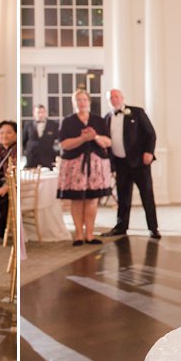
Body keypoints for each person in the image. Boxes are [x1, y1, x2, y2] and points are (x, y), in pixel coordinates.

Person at [56, 87, 113, 246]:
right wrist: (82, 138)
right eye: (78, 100)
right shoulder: (68, 121)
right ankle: (79, 235)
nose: (81, 103)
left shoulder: (99, 120)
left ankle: (90, 234)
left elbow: (108, 142)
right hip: (75, 165)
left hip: (95, 164)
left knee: (92, 200)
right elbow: (64, 145)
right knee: (77, 200)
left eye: (84, 100)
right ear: (74, 103)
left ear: (89, 101)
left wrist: (94, 136)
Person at [103, 87, 160, 239]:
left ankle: (153, 228)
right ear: (108, 101)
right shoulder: (107, 118)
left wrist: (149, 152)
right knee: (123, 197)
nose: (114, 99)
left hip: (139, 162)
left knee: (147, 195)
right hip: (121, 164)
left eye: (116, 96)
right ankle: (121, 227)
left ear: (122, 97)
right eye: (111, 98)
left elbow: (150, 134)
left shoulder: (137, 112)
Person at [23, 103, 58, 169]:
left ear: (45, 113)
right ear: (34, 113)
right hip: (32, 158)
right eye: (38, 112)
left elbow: (58, 141)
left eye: (42, 112)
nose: (41, 114)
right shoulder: (28, 124)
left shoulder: (53, 125)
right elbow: (24, 141)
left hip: (48, 158)